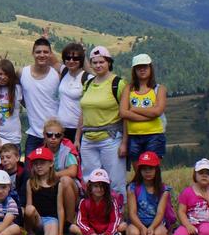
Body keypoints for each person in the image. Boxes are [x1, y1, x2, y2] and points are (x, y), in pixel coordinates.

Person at [76, 46, 128, 205]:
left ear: (109, 63)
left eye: (102, 62)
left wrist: (125, 142)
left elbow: (126, 115)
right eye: (95, 62)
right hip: (88, 139)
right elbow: (83, 113)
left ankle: (118, 213)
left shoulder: (118, 84)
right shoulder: (88, 84)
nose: (98, 65)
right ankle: (92, 211)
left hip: (110, 138)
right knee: (90, 180)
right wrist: (77, 138)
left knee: (115, 180)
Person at [120, 53, 168, 166]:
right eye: (138, 67)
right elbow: (122, 113)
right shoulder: (128, 89)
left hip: (155, 136)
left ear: (150, 68)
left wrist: (134, 109)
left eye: (145, 66)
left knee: (152, 170)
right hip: (133, 136)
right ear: (134, 70)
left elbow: (158, 111)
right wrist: (149, 116)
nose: (142, 69)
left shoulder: (159, 89)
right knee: (138, 172)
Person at [19, 36, 62, 152]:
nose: (42, 55)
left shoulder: (57, 75)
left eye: (45, 52)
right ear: (32, 53)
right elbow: (6, 80)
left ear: (50, 54)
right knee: (29, 164)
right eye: (38, 52)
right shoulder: (23, 73)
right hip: (34, 134)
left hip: (54, 135)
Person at [42, 118, 82, 229]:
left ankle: (69, 222)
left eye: (57, 135)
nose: (53, 138)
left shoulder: (68, 149)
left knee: (65, 180)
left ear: (62, 136)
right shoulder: (40, 151)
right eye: (49, 135)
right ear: (44, 135)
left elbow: (73, 171)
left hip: (70, 187)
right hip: (49, 186)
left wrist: (53, 175)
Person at [173, 159, 209, 235]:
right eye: (201, 173)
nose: (204, 175)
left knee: (208, 233)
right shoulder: (187, 192)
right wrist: (188, 225)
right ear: (195, 175)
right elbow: (181, 211)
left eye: (208, 173)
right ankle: (190, 234)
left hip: (208, 224)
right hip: (190, 223)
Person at [125, 151, 173, 235]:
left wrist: (152, 227)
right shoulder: (132, 188)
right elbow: (132, 213)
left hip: (156, 222)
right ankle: (139, 233)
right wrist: (142, 227)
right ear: (139, 170)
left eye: (151, 168)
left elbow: (160, 213)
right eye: (144, 169)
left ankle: (151, 233)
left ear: (156, 169)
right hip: (138, 222)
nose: (147, 171)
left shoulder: (164, 190)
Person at [70, 169, 126, 235]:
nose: (99, 189)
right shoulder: (83, 202)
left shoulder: (112, 201)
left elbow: (114, 221)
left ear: (106, 188)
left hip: (106, 229)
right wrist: (90, 233)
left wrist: (108, 234)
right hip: (90, 230)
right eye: (96, 186)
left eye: (102, 186)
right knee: (73, 227)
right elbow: (81, 221)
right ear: (90, 187)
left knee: (123, 226)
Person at [23, 147, 64, 235]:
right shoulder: (30, 182)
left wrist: (60, 233)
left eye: (42, 163)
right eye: (36, 163)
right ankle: (30, 233)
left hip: (51, 219)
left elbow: (60, 209)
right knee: (29, 209)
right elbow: (29, 206)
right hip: (37, 218)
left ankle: (44, 234)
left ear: (51, 163)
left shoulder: (58, 184)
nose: (39, 166)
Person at [56, 42, 88, 140]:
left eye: (75, 58)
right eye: (68, 58)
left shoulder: (87, 78)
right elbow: (52, 61)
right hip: (60, 128)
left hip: (78, 129)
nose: (71, 61)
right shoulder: (64, 72)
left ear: (81, 60)